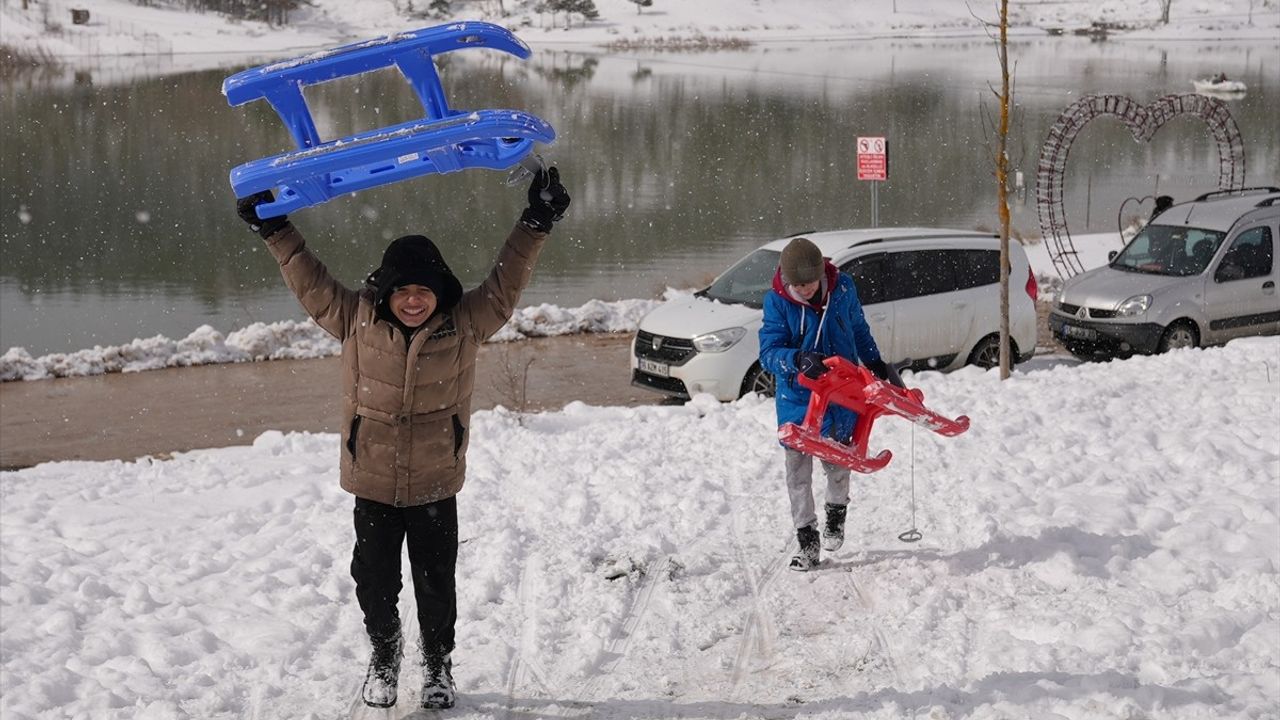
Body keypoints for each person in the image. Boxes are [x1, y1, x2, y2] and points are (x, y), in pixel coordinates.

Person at [235, 168, 571, 710]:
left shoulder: (465, 323)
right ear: (385, 291)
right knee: (375, 582)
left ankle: (438, 667)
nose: (413, 301)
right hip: (371, 479)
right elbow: (308, 279)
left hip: (436, 479)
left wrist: (536, 221)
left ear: (439, 293)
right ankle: (384, 659)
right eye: (403, 291)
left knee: (436, 585)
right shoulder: (354, 319)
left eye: (424, 291)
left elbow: (508, 281)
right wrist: (274, 228)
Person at [758, 237, 903, 571]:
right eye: (797, 285)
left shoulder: (843, 288)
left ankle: (836, 516)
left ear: (821, 274)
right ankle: (807, 542)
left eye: (808, 284)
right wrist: (797, 358)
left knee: (838, 463)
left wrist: (876, 363)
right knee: (798, 472)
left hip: (841, 392)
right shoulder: (777, 302)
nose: (803, 290)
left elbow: (857, 328)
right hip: (798, 398)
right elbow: (768, 354)